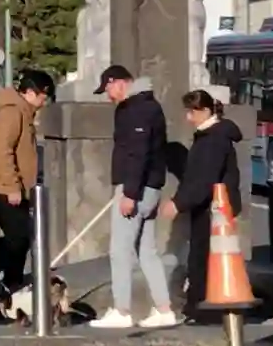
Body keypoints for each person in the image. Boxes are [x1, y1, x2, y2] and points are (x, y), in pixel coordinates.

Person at [92, 65, 175, 331]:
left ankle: (122, 310)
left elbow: (138, 153)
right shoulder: (148, 106)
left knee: (120, 250)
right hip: (149, 188)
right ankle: (164, 309)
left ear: (118, 83)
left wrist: (129, 193)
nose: (108, 96)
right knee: (146, 252)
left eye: (107, 89)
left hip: (135, 189)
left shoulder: (137, 109)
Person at [0, 68, 54, 309]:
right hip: (2, 188)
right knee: (18, 235)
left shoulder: (24, 113)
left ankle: (12, 283)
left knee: (23, 237)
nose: (44, 102)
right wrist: (13, 185)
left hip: (16, 188)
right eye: (43, 96)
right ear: (30, 92)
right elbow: (1, 150)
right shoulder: (13, 113)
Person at [161, 90, 243, 322]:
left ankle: (203, 308)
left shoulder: (213, 139)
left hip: (214, 207)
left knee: (203, 258)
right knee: (202, 256)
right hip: (212, 206)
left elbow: (204, 178)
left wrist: (178, 203)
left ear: (205, 111)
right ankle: (199, 307)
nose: (188, 118)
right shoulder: (211, 136)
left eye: (192, 112)